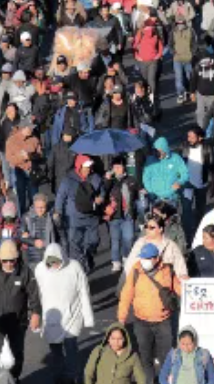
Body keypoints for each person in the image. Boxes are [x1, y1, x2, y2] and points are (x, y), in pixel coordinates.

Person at [0, 240, 41, 380]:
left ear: (17, 258)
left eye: (12, 260)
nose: (9, 263)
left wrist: (36, 313)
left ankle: (13, 378)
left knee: (16, 352)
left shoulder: (25, 272)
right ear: (0, 259)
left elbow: (34, 294)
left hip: (18, 322)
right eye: (5, 261)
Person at [118, 243, 183, 384]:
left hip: (163, 321)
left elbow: (179, 289)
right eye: (142, 258)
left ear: (156, 258)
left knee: (166, 357)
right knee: (145, 357)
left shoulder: (168, 270)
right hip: (141, 322)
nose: (144, 261)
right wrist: (121, 318)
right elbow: (126, 294)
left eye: (147, 258)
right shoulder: (136, 270)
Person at [34, 243, 94, 384]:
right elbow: (36, 295)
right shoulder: (40, 270)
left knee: (71, 348)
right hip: (51, 319)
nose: (53, 265)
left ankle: (72, 376)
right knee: (56, 351)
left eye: (56, 261)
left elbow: (83, 292)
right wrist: (36, 316)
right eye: (50, 262)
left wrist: (88, 317)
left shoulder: (74, 267)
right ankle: (58, 377)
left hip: (72, 316)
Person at [55, 155, 104, 273]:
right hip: (74, 218)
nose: (88, 170)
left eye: (89, 167)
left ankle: (88, 256)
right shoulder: (68, 180)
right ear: (79, 167)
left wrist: (101, 198)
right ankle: (81, 269)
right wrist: (58, 212)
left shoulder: (95, 178)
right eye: (86, 167)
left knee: (93, 241)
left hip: (91, 217)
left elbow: (102, 191)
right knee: (75, 244)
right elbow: (60, 197)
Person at [20, 193, 58, 270]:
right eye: (37, 207)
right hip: (33, 254)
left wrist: (57, 220)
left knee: (52, 273)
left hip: (50, 252)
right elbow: (21, 236)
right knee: (36, 274)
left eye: (42, 207)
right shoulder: (26, 217)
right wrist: (33, 242)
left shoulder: (51, 216)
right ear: (34, 205)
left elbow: (60, 234)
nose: (40, 210)